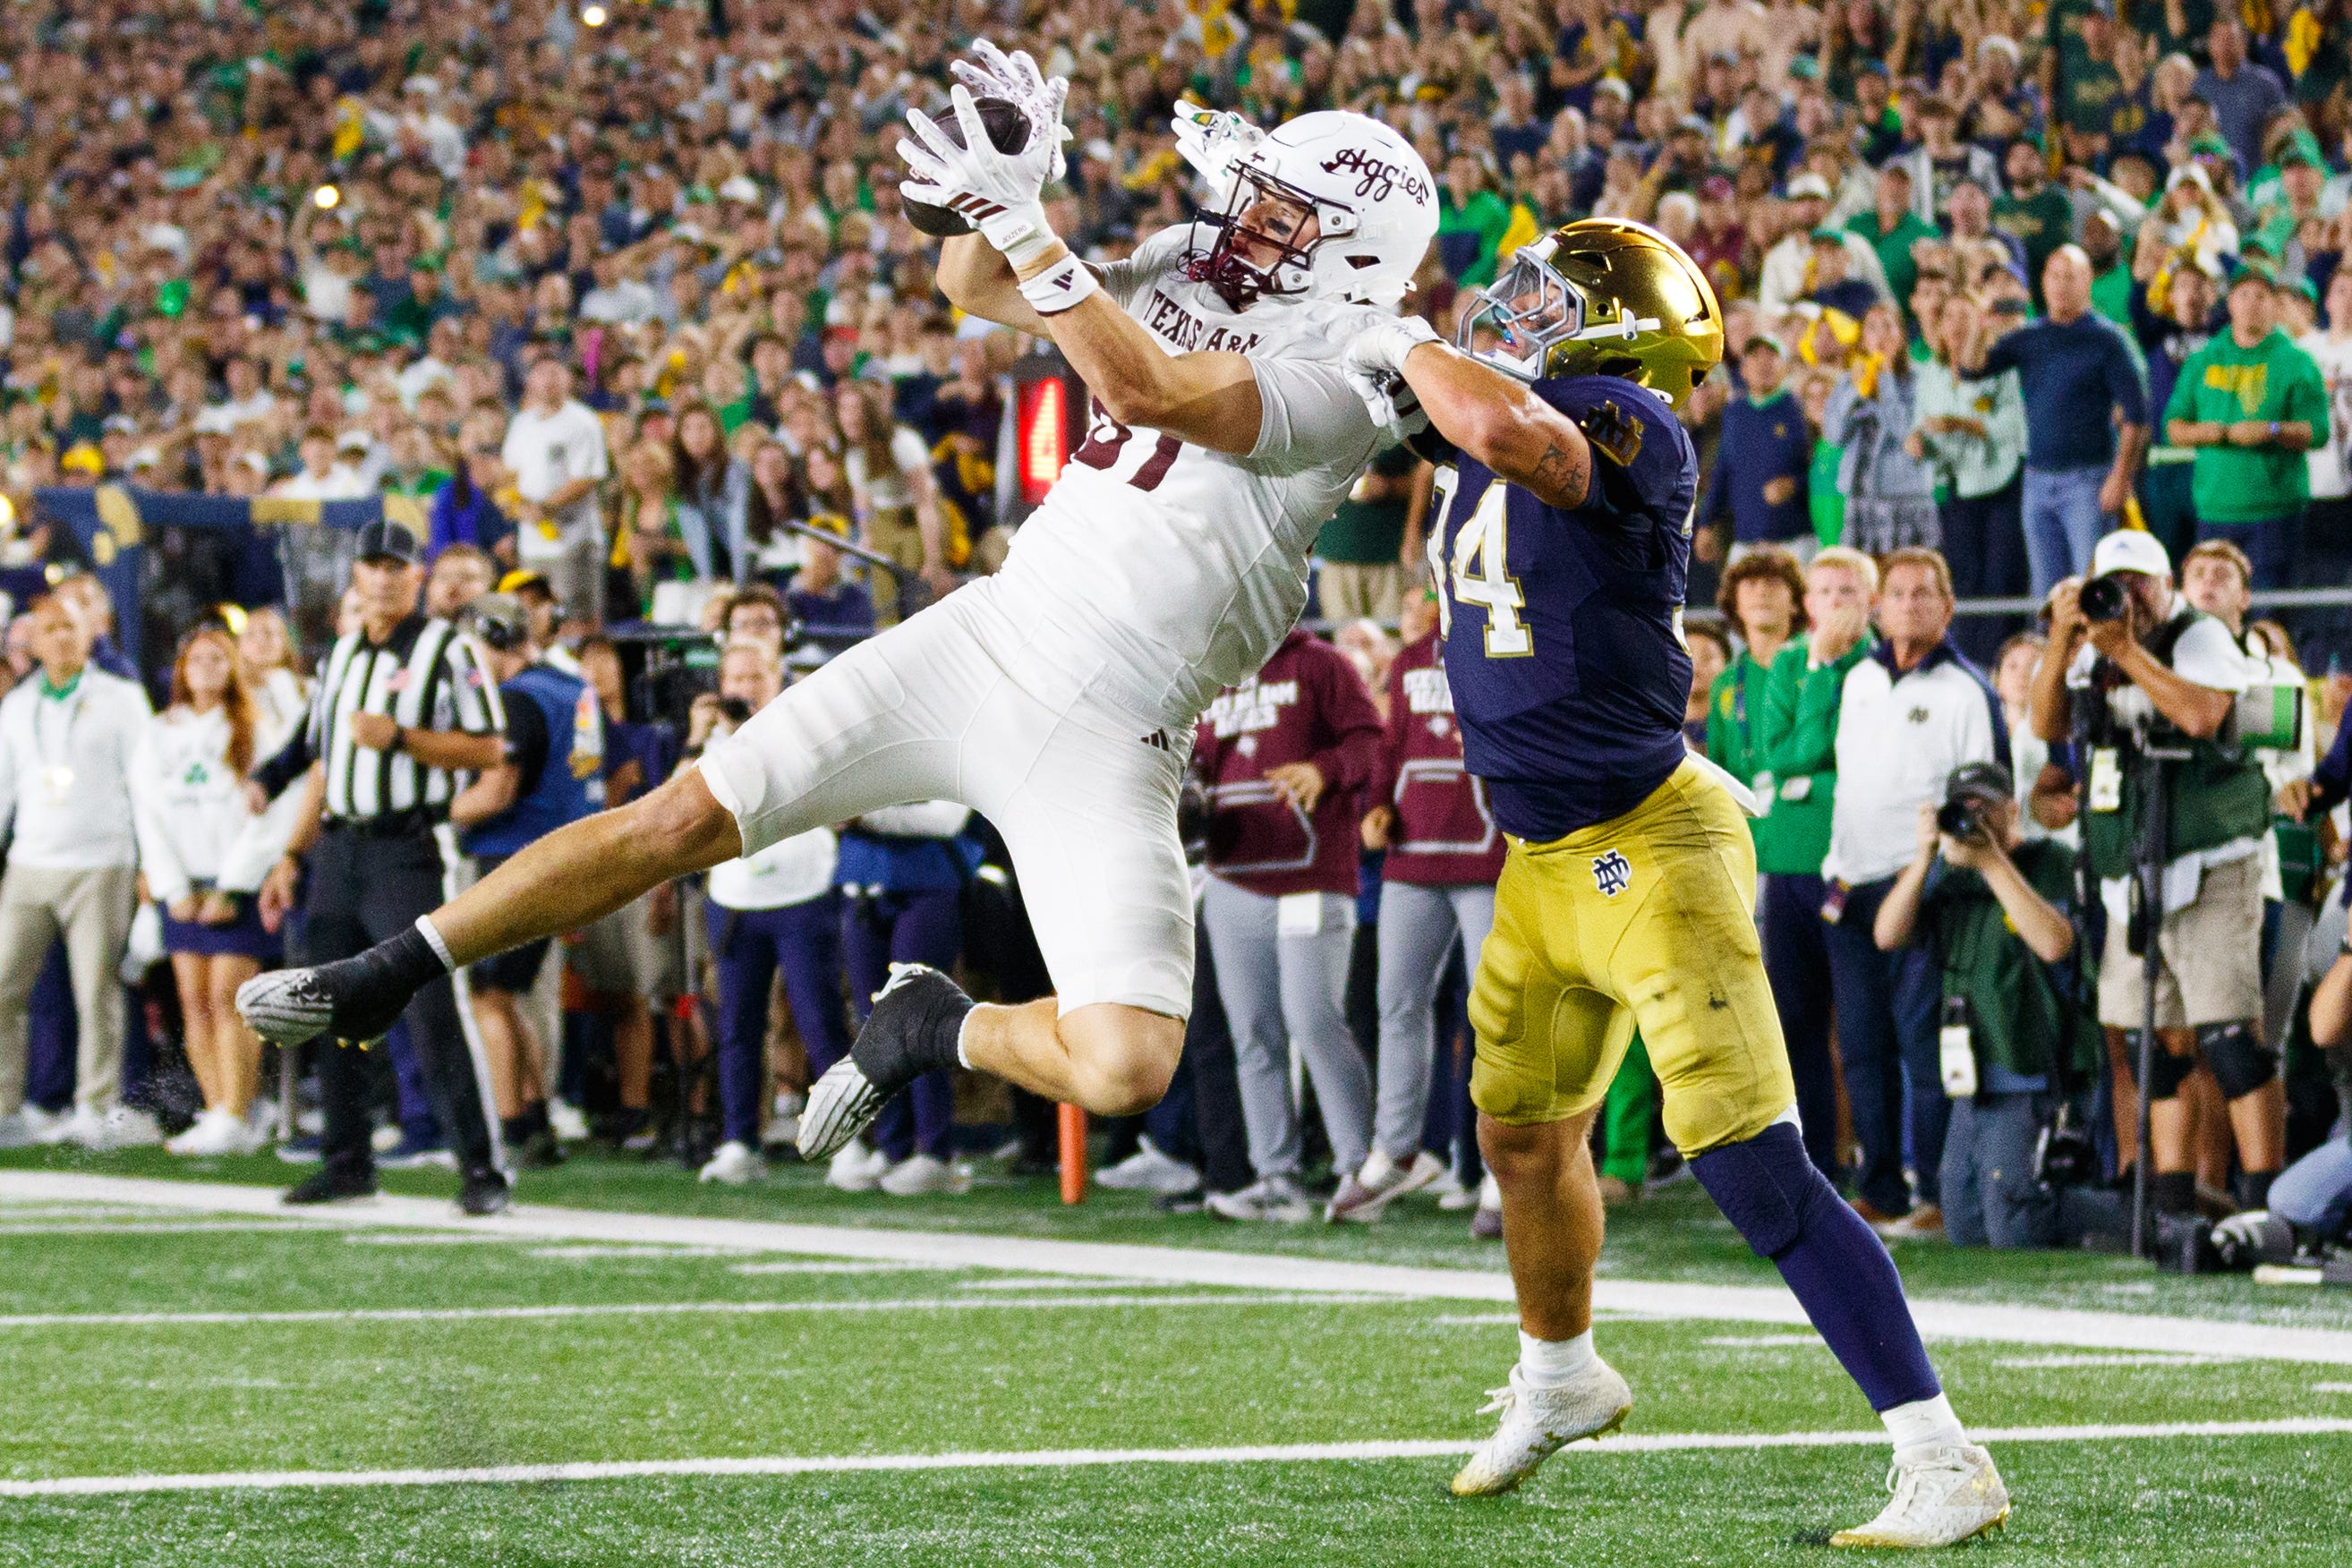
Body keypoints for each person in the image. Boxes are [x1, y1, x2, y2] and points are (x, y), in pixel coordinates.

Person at [237, 64, 1439, 1183]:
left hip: (1118, 731)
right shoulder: (1189, 260)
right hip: (989, 637)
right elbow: (970, 288)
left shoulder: (1352, 375)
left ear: (1351, 254)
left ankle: (935, 1025)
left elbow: (1144, 390)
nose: (1245, 219)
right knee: (682, 818)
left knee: (1126, 1063)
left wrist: (1030, 222)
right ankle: (384, 972)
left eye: (1284, 211)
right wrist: (990, 194)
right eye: (1261, 196)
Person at [1348, 217, 2008, 1545]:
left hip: (1653, 843)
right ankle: (1561, 1378)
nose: (1516, 311)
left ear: (1617, 328)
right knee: (1523, 1141)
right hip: (1543, 856)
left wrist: (1403, 339)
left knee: (1752, 1168)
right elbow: (1371, 455)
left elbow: (1517, 440)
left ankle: (1943, 1455)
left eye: (1548, 297)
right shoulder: (1499, 406)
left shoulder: (1618, 414)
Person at [246, 520, 511, 1214]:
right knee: (324, 1004)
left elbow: (488, 750)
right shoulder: (337, 657)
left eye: (398, 566)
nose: (385, 577)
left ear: (415, 576)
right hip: (339, 847)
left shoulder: (445, 646)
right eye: (374, 566)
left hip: (404, 847)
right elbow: (320, 757)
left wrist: (404, 739)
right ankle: (347, 1160)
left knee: (428, 1006)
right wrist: (289, 849)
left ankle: (480, 1170)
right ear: (357, 578)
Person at [2029, 528, 2280, 1223]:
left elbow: (2203, 715)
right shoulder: (2091, 646)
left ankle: (2266, 1203)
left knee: (2229, 1040)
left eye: (2143, 583)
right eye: (2117, 583)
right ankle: (2168, 1201)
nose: (2130, 598)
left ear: (2167, 587)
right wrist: (2063, 640)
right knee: (2149, 1048)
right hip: (2130, 872)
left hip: (2209, 863)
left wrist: (2125, 652)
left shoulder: (2196, 637)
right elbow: (2046, 721)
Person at [1873, 764, 2114, 1248]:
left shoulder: (2052, 861)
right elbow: (1887, 934)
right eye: (1964, 807)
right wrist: (1923, 859)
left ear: (2011, 808)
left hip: (2034, 1065)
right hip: (1974, 1071)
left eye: (1986, 807)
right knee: (1963, 1221)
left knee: (2016, 1225)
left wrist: (1991, 862)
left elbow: (2054, 944)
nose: (1974, 818)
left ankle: (2135, 1214)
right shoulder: (1948, 875)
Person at [1194, 626, 1383, 1223]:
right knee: (1253, 1032)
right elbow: (1191, 761)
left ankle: (1361, 1171)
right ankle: (1276, 1175)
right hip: (1232, 875)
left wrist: (1325, 769)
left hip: (1310, 873)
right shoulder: (1208, 670)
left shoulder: (1322, 665)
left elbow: (1372, 742)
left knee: (1314, 1018)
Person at [1342, 584, 1503, 1223]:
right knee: (1397, 1004)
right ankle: (1396, 1148)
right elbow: (1393, 744)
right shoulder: (1410, 662)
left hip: (1489, 854)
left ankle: (1500, 1167)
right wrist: (1377, 805)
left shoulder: (1505, 648)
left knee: (1496, 1017)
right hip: (1413, 851)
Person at [447, 593, 602, 1171]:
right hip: (568, 853)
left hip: (518, 856)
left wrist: (430, 806)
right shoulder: (574, 687)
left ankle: (511, 1126)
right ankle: (535, 1123)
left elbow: (496, 792)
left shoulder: (518, 698)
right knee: (505, 993)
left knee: (487, 993)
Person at [689, 639, 852, 1187]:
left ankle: (847, 1142)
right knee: (736, 1027)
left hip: (802, 889)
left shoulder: (799, 721)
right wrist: (697, 737)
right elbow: (677, 809)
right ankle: (740, 1138)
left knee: (818, 1018)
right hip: (735, 896)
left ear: (776, 677)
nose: (743, 688)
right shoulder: (710, 741)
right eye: (734, 677)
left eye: (755, 676)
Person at [0, 595, 155, 1149]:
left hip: (102, 861)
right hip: (29, 862)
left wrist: (149, 864)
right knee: (3, 986)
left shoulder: (121, 699)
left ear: (90, 634)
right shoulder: (18, 706)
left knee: (97, 989)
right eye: (50, 629)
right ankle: (4, 1108)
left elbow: (146, 785)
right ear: (33, 642)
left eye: (71, 627)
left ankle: (97, 1104)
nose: (61, 638)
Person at [132, 626, 272, 1156]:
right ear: (181, 670)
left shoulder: (255, 726)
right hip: (183, 884)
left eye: (218, 660)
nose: (207, 670)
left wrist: (234, 886)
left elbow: (269, 813)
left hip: (232, 883)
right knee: (193, 1000)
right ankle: (215, 1110)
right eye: (197, 661)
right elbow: (147, 810)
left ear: (233, 667)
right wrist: (171, 886)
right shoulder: (160, 730)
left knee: (229, 998)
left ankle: (239, 1111)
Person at [1969, 245, 2150, 594]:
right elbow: (1972, 369)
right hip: (2037, 479)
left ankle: (2097, 650)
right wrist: (1980, 325)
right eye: (2054, 276)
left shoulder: (2108, 339)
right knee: (2046, 590)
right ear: (2042, 283)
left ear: (2088, 282)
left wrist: (2120, 477)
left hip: (2088, 479)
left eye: (2071, 277)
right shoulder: (2030, 337)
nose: (2061, 285)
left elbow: (2137, 415)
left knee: (2091, 584)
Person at [2161, 265, 2330, 589]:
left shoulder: (2297, 362)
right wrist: (2205, 433)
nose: (2252, 303)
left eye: (2261, 296)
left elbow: (2318, 431)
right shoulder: (2203, 360)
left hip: (2275, 512)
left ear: (2275, 306)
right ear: (2230, 305)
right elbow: (2174, 426)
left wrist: (2273, 430)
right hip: (2215, 508)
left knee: (2268, 614)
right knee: (2213, 612)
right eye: (2244, 295)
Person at [1910, 292, 2028, 662]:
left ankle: (2000, 662)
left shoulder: (2005, 368)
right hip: (1955, 488)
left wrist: (1966, 425)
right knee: (1962, 579)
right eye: (1950, 318)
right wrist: (1919, 442)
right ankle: (1964, 659)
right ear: (1941, 329)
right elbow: (1923, 426)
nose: (1958, 326)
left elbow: (2015, 426)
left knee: (2001, 576)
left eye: (1966, 317)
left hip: (2001, 482)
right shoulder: (1931, 374)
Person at [500, 355, 611, 629]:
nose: (548, 380)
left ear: (568, 379)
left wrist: (544, 508)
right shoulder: (522, 424)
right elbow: (510, 474)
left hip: (574, 541)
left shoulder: (583, 421)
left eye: (555, 372)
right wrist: (513, 504)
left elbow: (586, 478)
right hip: (532, 542)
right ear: (530, 381)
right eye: (541, 373)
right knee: (533, 619)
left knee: (576, 620)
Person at [1824, 303, 1938, 554]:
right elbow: (1834, 435)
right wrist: (1856, 390)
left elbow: (1904, 431)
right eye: (1872, 328)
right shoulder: (1847, 381)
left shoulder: (1920, 379)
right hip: (1859, 498)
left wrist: (1885, 379)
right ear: (1864, 339)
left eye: (1888, 326)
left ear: (1902, 335)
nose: (1881, 335)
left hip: (1904, 498)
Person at [1700, 334, 1813, 561]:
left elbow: (1823, 468)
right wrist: (1706, 523)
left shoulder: (1801, 411)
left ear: (1786, 367)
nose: (1763, 363)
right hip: (1746, 539)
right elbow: (1724, 469)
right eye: (1755, 357)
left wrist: (1794, 484)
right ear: (1742, 369)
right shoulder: (1734, 412)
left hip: (1795, 540)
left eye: (1772, 356)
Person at [1317, 443, 1427, 622]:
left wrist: (1389, 487)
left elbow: (1431, 471)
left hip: (1391, 553)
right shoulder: (1318, 419)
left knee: (1393, 638)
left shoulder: (1403, 417)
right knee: (1344, 643)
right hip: (1335, 554)